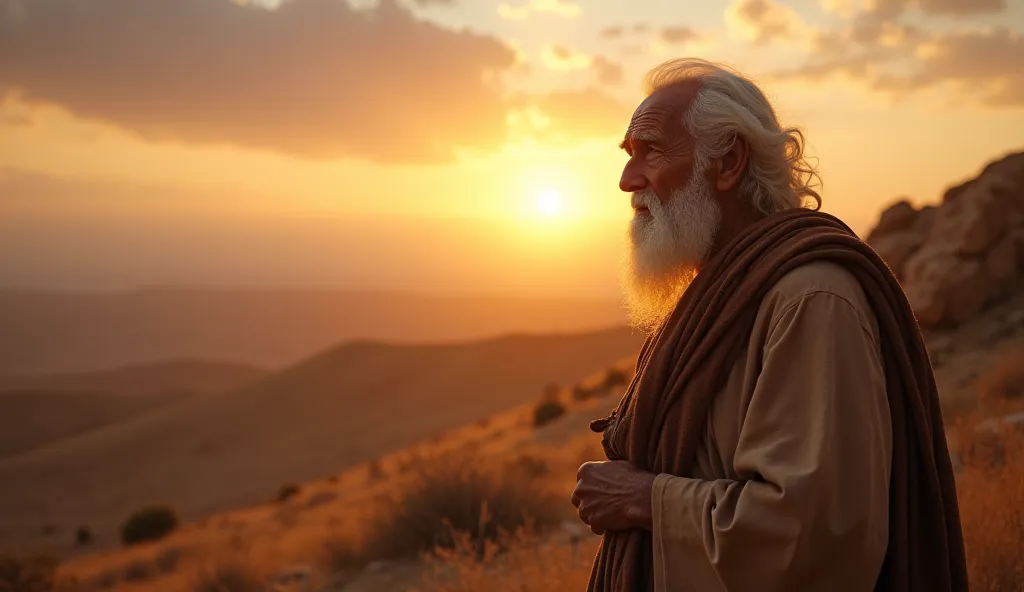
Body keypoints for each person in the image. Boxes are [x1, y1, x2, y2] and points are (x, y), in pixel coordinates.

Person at [570, 58, 967, 592]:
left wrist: (644, 499)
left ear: (728, 161)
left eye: (652, 151)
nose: (627, 180)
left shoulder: (811, 299)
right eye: (628, 155)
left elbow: (813, 533)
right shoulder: (720, 289)